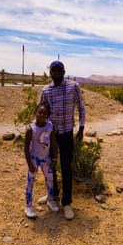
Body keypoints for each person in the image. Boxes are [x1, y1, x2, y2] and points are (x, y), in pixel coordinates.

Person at [40, 60, 86, 220]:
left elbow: (81, 107)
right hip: (51, 134)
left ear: (64, 71)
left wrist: (81, 128)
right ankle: (52, 195)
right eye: (54, 70)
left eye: (59, 70)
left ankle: (67, 203)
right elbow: (41, 111)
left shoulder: (74, 87)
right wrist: (37, 132)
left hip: (67, 133)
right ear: (50, 72)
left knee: (66, 167)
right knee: (49, 166)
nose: (57, 73)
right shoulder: (46, 90)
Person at [23, 103, 59, 218]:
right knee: (30, 181)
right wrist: (29, 164)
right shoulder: (31, 129)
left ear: (48, 115)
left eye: (45, 113)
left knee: (50, 179)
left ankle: (50, 199)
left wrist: (54, 157)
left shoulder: (49, 126)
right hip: (34, 158)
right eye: (40, 112)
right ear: (35, 113)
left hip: (46, 158)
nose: (42, 115)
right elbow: (26, 148)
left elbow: (53, 142)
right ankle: (28, 205)